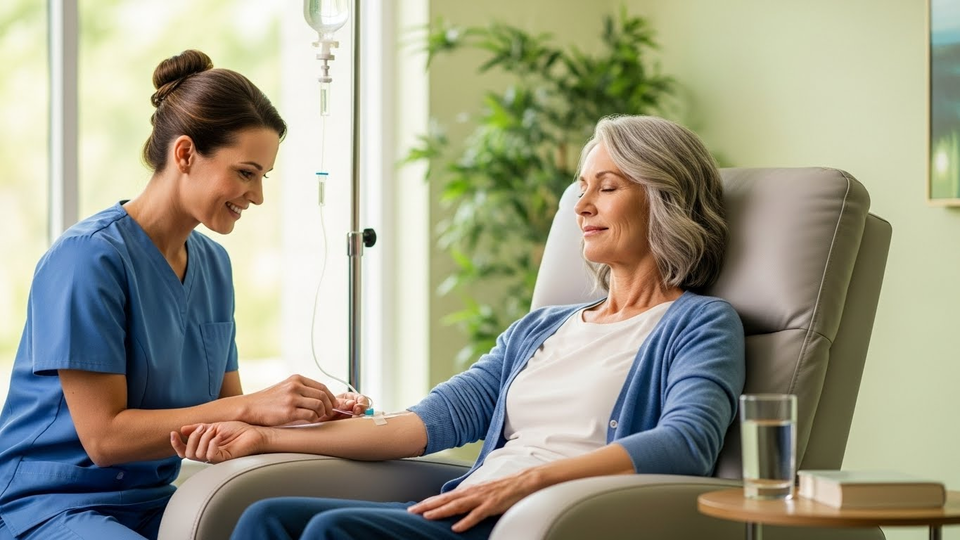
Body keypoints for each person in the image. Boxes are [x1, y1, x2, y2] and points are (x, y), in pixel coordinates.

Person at [172, 114, 746, 540]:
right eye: (582, 185)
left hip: (537, 518)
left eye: (608, 187)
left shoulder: (697, 323)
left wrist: (533, 481)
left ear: (664, 199)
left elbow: (685, 445)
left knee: (332, 533)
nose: (581, 205)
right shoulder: (540, 329)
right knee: (267, 519)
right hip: (473, 504)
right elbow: (428, 423)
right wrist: (267, 436)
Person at [0, 49, 367, 540]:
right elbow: (105, 438)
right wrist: (252, 405)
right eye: (245, 172)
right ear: (185, 154)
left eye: (263, 177)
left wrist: (308, 414)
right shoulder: (87, 260)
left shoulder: (214, 266)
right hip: (49, 505)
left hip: (155, 505)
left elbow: (229, 416)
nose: (257, 195)